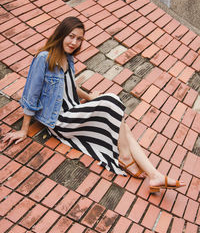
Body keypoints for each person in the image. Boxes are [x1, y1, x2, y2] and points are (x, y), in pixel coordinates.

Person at [2, 16, 185, 193]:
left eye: (79, 39)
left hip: (73, 111)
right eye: (71, 36)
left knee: (121, 124)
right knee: (112, 101)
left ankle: (154, 175)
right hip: (60, 120)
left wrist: (91, 98)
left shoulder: (68, 57)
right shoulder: (44, 58)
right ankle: (126, 156)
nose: (74, 42)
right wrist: (24, 130)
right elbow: (31, 95)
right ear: (61, 34)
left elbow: (70, 85)